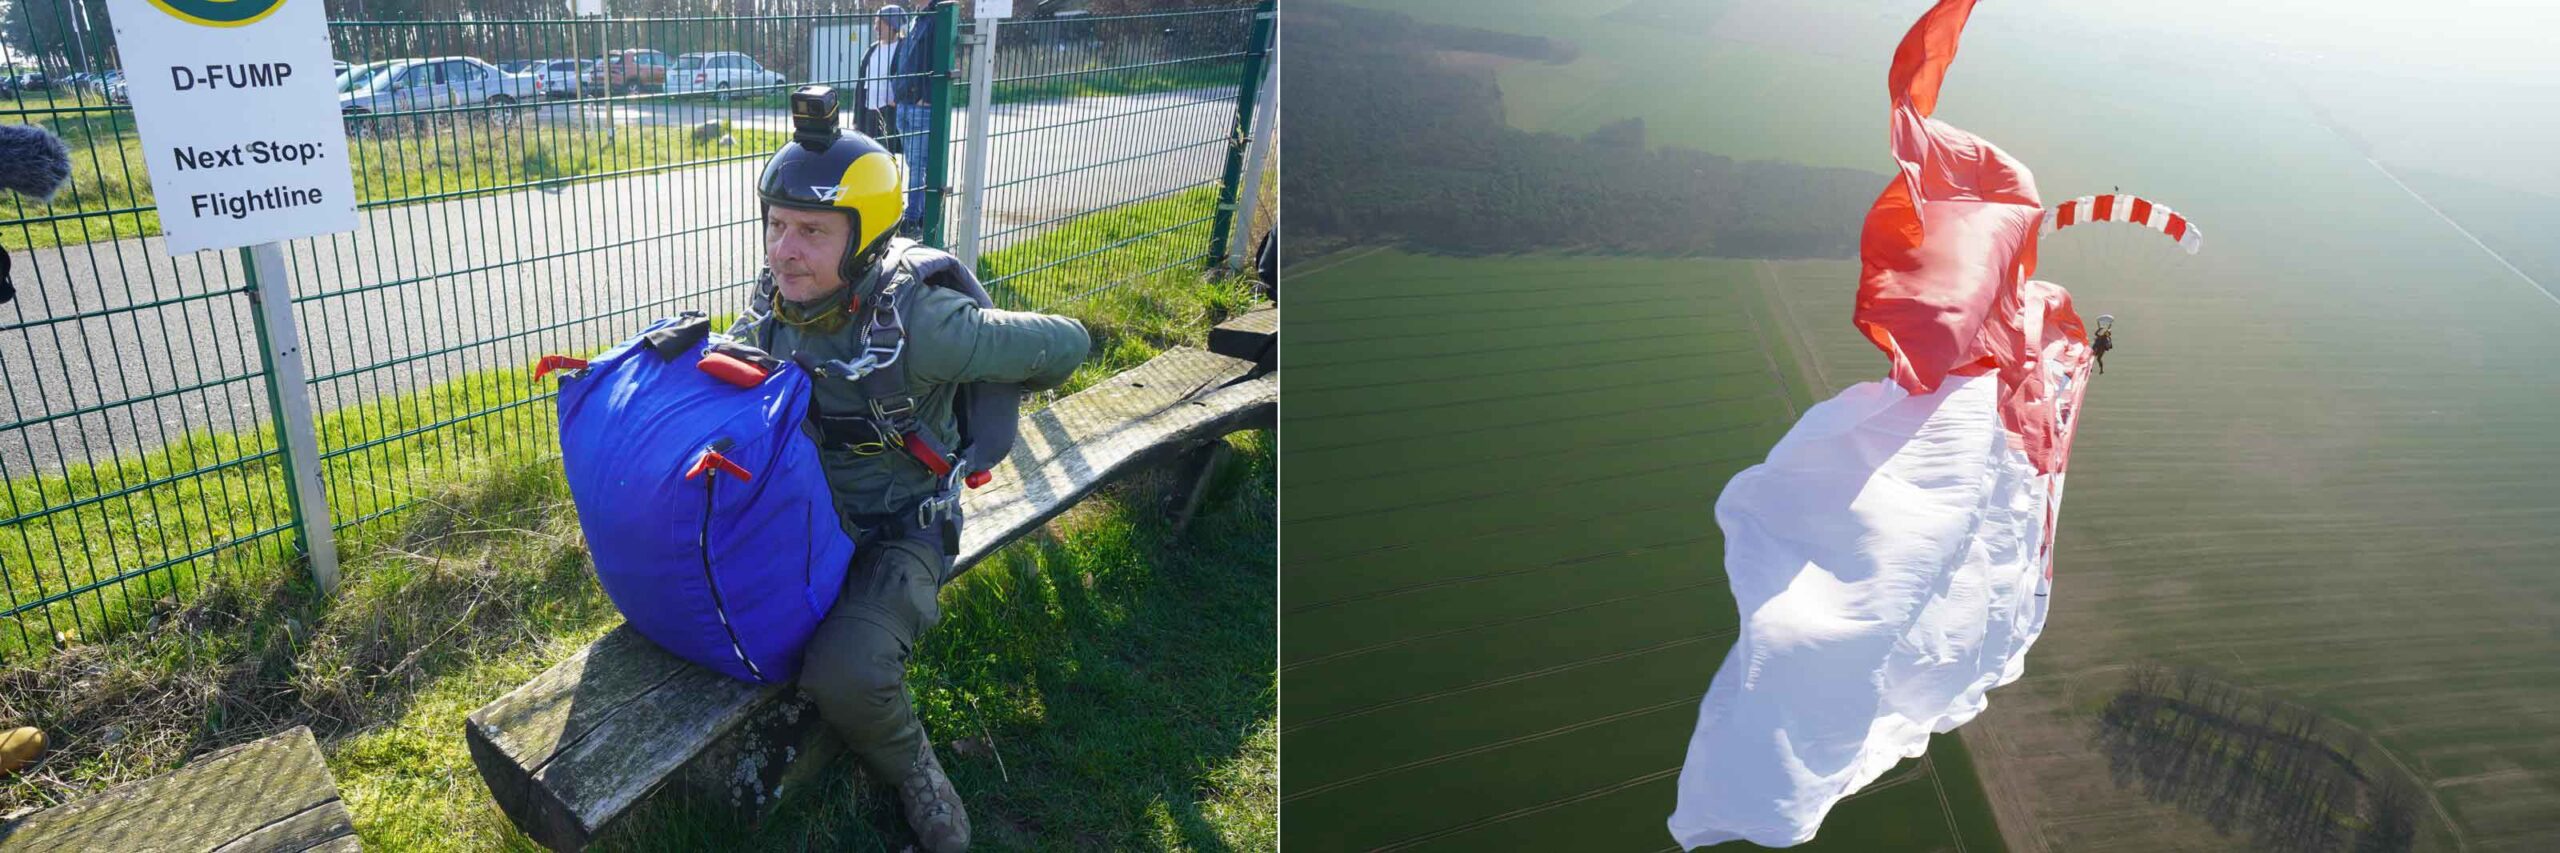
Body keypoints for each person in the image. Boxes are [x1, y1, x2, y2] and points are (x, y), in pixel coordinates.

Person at [748, 87, 1090, 853]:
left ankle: (917, 774)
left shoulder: (926, 325)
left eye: (811, 230)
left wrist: (982, 376)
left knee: (846, 672)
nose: (784, 249)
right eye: (775, 226)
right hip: (804, 518)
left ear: (866, 238)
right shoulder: (774, 302)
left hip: (901, 531)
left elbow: (1067, 343)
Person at [890, 1, 955, 234]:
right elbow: (903, 60)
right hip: (905, 103)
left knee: (919, 165)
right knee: (912, 163)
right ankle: (920, 213)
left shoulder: (939, 17)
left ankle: (913, 217)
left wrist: (926, 97)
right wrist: (898, 91)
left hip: (920, 105)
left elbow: (943, 58)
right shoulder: (918, 19)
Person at [855, 6, 905, 155]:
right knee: (868, 155)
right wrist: (857, 118)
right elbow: (861, 85)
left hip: (890, 112)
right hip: (869, 111)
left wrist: (898, 99)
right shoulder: (871, 50)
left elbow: (909, 78)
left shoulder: (904, 48)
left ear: (892, 25)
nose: (875, 28)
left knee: (887, 156)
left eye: (879, 23)